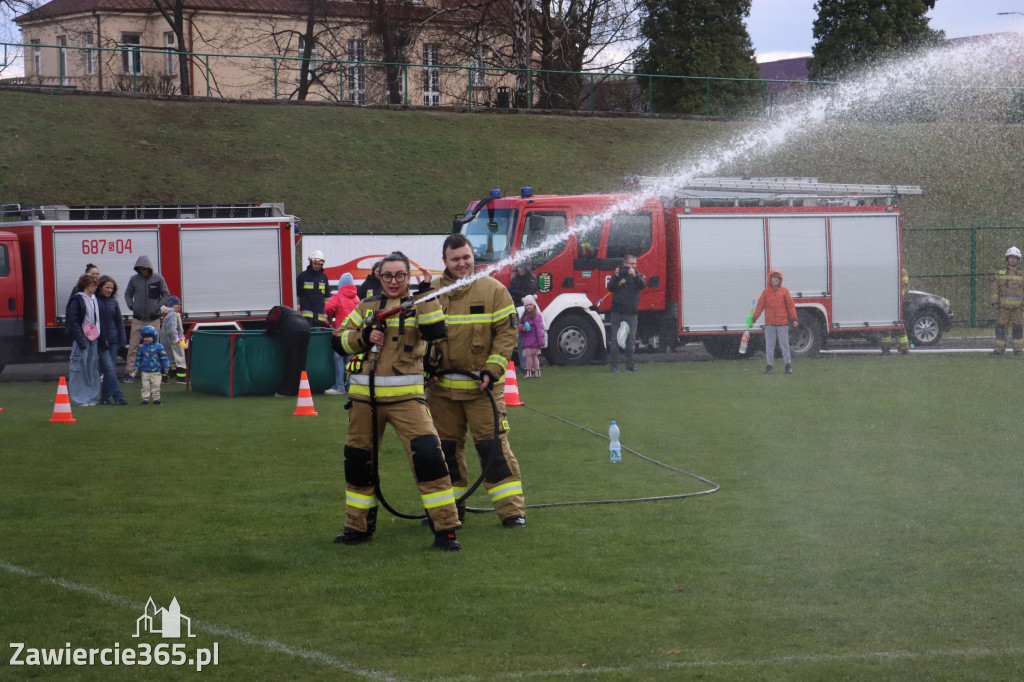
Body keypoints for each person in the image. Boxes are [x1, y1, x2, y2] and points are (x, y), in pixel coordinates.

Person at [332, 251, 463, 551]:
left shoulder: (419, 304)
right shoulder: (366, 306)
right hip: (364, 403)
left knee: (429, 458)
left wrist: (426, 292)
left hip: (407, 401)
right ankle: (357, 527)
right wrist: (364, 337)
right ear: (378, 276)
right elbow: (337, 340)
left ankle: (445, 529)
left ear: (408, 277)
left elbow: (436, 331)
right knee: (359, 464)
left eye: (400, 275)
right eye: (388, 275)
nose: (393, 281)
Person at [426, 233, 527, 529]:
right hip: (441, 391)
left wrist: (492, 370)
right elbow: (418, 334)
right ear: (444, 261)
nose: (462, 263)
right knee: (446, 452)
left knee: (493, 449)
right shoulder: (431, 291)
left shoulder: (494, 290)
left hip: (482, 389)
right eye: (455, 259)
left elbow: (507, 334)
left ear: (473, 257)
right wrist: (426, 368)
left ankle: (512, 512)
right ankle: (450, 511)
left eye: (466, 257)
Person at [123, 255, 169, 383]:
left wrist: (157, 306)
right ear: (138, 269)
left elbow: (166, 294)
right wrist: (132, 306)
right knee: (133, 347)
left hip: (153, 319)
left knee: (154, 347)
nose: (144, 271)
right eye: (141, 269)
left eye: (146, 269)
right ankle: (129, 373)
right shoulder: (134, 279)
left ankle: (155, 372)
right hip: (138, 319)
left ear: (150, 268)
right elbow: (127, 294)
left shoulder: (158, 278)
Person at [753, 269, 799, 375]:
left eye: (778, 278)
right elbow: (760, 307)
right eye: (773, 278)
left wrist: (794, 319)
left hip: (782, 324)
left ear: (780, 280)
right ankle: (769, 366)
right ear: (770, 279)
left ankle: (788, 365)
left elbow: (790, 306)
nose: (775, 280)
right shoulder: (765, 293)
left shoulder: (785, 291)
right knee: (770, 346)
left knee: (784, 345)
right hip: (770, 324)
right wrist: (754, 318)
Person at [66, 272, 101, 406]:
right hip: (82, 338)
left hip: (93, 337)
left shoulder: (94, 299)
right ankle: (80, 398)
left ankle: (92, 397)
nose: (96, 287)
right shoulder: (78, 299)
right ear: (86, 284)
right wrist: (80, 339)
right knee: (79, 368)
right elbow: (73, 321)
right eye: (93, 284)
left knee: (92, 368)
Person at [606, 254, 645, 373]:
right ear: (625, 264)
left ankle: (630, 365)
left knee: (631, 341)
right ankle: (614, 366)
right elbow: (610, 288)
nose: (634, 266)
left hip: (631, 312)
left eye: (635, 264)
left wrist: (634, 276)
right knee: (615, 340)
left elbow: (642, 285)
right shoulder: (617, 275)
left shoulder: (638, 276)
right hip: (617, 311)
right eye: (631, 264)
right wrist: (616, 276)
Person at [324, 272, 360, 395]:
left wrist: (334, 314)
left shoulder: (338, 296)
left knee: (338, 358)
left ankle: (339, 386)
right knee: (350, 360)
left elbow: (328, 308)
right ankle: (349, 386)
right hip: (353, 333)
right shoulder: (356, 298)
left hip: (341, 332)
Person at [264, 305, 311, 397]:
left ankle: (285, 391)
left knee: (291, 362)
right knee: (301, 362)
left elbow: (273, 320)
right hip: (306, 328)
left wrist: (269, 331)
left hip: (292, 330)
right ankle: (298, 390)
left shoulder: (275, 310)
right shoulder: (289, 311)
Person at [96, 275, 127, 405]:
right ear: (100, 287)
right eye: (107, 287)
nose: (109, 290)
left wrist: (122, 341)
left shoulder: (113, 302)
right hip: (100, 340)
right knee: (109, 369)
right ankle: (119, 397)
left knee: (109, 370)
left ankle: (105, 398)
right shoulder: (94, 300)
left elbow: (119, 322)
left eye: (112, 288)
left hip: (113, 340)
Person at [991, 246, 1024, 356]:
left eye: (1014, 257)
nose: (1012, 259)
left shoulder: (1022, 273)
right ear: (1007, 258)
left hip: (1018, 308)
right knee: (1000, 329)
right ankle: (998, 349)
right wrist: (995, 301)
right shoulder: (1000, 272)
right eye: (1010, 257)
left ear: (1018, 259)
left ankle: (1018, 350)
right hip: (1003, 308)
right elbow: (995, 288)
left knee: (1018, 329)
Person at [133, 325, 169, 405]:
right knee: (145, 386)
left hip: (156, 371)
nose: (146, 339)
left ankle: (156, 398)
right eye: (145, 337)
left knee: (156, 385)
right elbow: (138, 359)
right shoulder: (141, 347)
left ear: (154, 337)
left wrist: (166, 367)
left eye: (149, 337)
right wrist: (135, 369)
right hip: (145, 371)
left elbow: (164, 357)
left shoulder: (159, 346)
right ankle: (145, 399)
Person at [880, 267, 911, 355]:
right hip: (895, 300)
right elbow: (906, 286)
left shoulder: (897, 270)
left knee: (889, 327)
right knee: (897, 327)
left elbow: (905, 286)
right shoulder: (901, 270)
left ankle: (887, 349)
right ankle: (903, 348)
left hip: (894, 300)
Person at [297, 250, 330, 327]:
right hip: (307, 315)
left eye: (319, 264)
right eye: (315, 263)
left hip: (320, 316)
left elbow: (327, 297)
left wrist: (329, 313)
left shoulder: (324, 277)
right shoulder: (303, 276)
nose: (317, 266)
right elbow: (297, 293)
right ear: (311, 262)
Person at [159, 296, 187, 384]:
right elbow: (173, 328)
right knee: (180, 359)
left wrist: (181, 337)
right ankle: (181, 379)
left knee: (168, 359)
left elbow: (177, 329)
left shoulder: (171, 314)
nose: (179, 306)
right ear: (171, 305)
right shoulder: (173, 314)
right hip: (173, 341)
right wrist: (177, 339)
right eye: (176, 304)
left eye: (179, 304)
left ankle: (164, 379)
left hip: (168, 341)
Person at [518, 294, 545, 378]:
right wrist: (522, 328)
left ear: (534, 305)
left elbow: (539, 330)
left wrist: (540, 342)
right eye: (526, 305)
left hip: (532, 341)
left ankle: (529, 373)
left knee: (530, 358)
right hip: (529, 340)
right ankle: (537, 372)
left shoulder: (536, 315)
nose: (528, 307)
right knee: (533, 357)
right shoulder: (526, 316)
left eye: (530, 304)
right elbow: (520, 325)